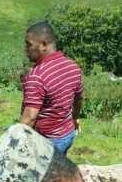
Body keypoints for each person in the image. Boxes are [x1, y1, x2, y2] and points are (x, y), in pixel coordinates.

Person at [19, 21, 83, 154]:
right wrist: (74, 119)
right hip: (67, 135)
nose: (25, 49)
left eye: (29, 44)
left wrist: (15, 145)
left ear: (43, 45)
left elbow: (30, 117)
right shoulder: (72, 67)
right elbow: (78, 100)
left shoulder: (37, 76)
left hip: (47, 142)